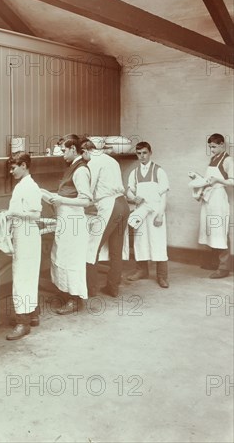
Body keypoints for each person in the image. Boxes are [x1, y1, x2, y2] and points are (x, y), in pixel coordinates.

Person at [42, 134, 92, 315]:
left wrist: (60, 198)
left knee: (71, 261)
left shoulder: (81, 170)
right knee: (60, 257)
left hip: (74, 221)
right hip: (66, 219)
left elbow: (86, 200)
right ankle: (64, 294)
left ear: (73, 149)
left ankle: (74, 300)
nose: (62, 154)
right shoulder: (72, 167)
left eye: (64, 150)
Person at [81, 139, 130, 297]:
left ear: (86, 151)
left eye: (83, 155)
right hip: (123, 204)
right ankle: (113, 287)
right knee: (116, 250)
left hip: (110, 206)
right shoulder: (112, 160)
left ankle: (90, 289)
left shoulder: (93, 163)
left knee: (91, 248)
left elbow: (89, 190)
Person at [5, 152, 42, 340]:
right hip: (23, 234)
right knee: (27, 276)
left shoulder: (31, 187)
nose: (11, 171)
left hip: (28, 234)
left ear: (24, 165)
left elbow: (36, 214)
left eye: (14, 168)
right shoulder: (22, 186)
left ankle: (23, 323)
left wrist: (13, 213)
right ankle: (33, 315)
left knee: (21, 278)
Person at [126, 142, 170, 288]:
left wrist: (160, 215)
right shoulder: (134, 173)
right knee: (140, 242)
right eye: (139, 153)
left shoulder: (159, 171)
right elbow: (129, 191)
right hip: (141, 212)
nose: (142, 156)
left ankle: (162, 276)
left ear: (150, 152)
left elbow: (164, 196)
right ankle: (142, 271)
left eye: (144, 153)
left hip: (155, 213)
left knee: (158, 243)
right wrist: (133, 198)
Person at [197, 134, 233, 278]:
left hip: (218, 198)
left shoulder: (228, 160)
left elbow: (232, 181)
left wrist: (218, 180)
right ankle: (214, 263)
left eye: (214, 147)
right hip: (209, 198)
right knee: (210, 230)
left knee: (220, 230)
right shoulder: (213, 159)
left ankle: (224, 268)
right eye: (210, 147)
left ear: (222, 144)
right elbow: (208, 180)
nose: (211, 149)